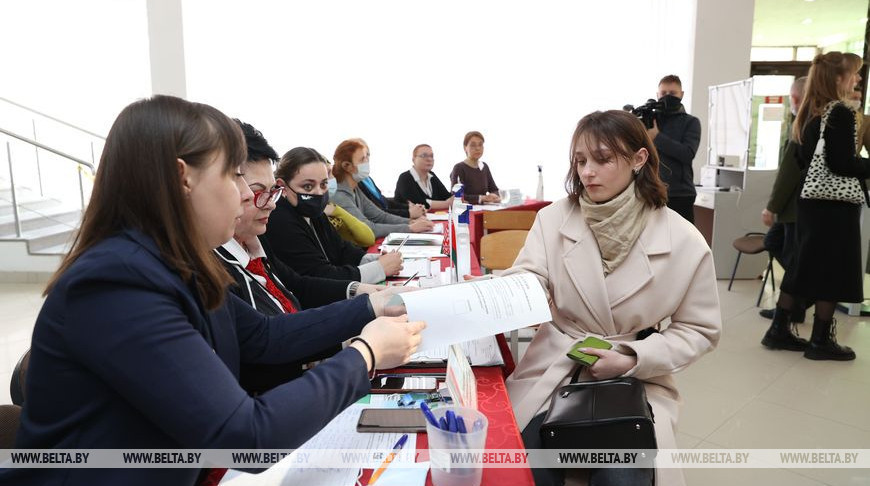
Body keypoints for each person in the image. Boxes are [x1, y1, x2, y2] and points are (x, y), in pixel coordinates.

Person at [1, 95, 425, 486]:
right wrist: (363, 355)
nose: (244, 194)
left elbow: (264, 335)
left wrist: (373, 308)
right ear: (181, 179)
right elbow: (245, 438)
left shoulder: (176, 261)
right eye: (233, 175)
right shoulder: (116, 284)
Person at [503, 110, 721, 486]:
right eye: (580, 160)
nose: (588, 172)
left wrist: (634, 358)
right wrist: (510, 294)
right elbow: (528, 277)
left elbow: (699, 330)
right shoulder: (553, 219)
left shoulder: (684, 239)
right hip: (558, 361)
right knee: (525, 469)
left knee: (621, 478)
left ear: (639, 159)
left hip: (635, 377)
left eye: (602, 160)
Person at [217, 121, 386, 394]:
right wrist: (360, 344)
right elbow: (264, 345)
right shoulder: (213, 265)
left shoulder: (254, 240)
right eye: (256, 191)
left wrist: (366, 296)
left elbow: (298, 286)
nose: (270, 202)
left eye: (271, 191)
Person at [767, 51, 870, 361]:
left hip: (812, 204)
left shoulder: (811, 113)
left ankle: (779, 330)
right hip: (834, 206)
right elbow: (841, 164)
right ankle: (820, 340)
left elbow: (802, 161)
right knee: (833, 270)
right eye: (854, 73)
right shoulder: (838, 112)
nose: (859, 78)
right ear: (838, 78)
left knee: (805, 265)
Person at [265, 146, 404, 282]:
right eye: (308, 186)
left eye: (323, 184)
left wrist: (376, 260)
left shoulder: (314, 211)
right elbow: (320, 275)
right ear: (282, 187)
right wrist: (379, 268)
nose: (319, 193)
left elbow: (341, 249)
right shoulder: (280, 220)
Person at [759, 77, 809, 322]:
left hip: (796, 210)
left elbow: (789, 172)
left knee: (794, 258)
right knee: (776, 244)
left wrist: (772, 207)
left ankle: (793, 306)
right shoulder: (808, 123)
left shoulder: (805, 125)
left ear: (796, 98)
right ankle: (794, 304)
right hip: (795, 209)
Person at [332, 138, 434, 238]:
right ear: (347, 166)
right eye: (363, 159)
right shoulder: (340, 195)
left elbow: (380, 216)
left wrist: (410, 222)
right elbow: (368, 228)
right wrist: (409, 228)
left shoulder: (355, 189)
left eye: (367, 157)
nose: (367, 162)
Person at [647, 74, 701, 223]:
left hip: (680, 194)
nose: (667, 97)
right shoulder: (650, 120)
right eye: (663, 93)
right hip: (651, 191)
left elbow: (687, 153)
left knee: (683, 241)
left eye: (673, 93)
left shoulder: (691, 122)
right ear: (657, 95)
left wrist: (656, 137)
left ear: (681, 95)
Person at [351, 138, 426, 219]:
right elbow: (376, 212)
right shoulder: (355, 182)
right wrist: (408, 213)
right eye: (362, 157)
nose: (366, 159)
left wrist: (409, 207)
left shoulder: (367, 178)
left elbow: (383, 202)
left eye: (368, 155)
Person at [393, 143, 455, 210]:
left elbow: (446, 196)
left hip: (433, 218)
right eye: (424, 155)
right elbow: (418, 204)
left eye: (431, 156)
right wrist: (447, 204)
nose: (429, 159)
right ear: (413, 159)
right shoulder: (405, 177)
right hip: (409, 219)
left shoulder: (432, 176)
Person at [450, 130, 501, 204]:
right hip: (466, 211)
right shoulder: (459, 168)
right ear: (465, 148)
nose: (477, 148)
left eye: (480, 145)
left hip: (485, 209)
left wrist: (494, 195)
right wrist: (481, 198)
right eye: (473, 145)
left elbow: (494, 189)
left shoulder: (484, 166)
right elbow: (456, 196)